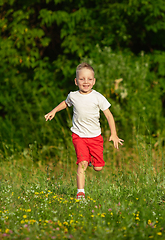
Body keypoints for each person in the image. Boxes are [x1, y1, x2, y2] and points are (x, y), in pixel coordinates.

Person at [44, 62, 124, 200]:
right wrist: (54, 111)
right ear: (76, 81)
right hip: (78, 136)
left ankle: (91, 159)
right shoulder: (73, 96)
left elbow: (109, 115)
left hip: (95, 137)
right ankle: (80, 192)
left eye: (89, 79)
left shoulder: (98, 97)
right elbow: (65, 103)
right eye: (82, 79)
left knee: (98, 168)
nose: (85, 82)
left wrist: (114, 134)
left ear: (94, 81)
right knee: (82, 164)